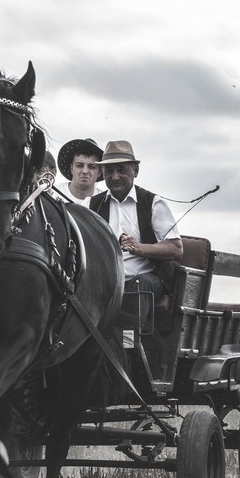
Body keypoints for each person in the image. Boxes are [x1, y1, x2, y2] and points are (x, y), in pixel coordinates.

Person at [89, 140, 183, 333]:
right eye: (109, 171)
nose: (115, 177)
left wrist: (139, 248)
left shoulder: (153, 203)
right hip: (107, 283)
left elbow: (176, 248)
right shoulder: (94, 205)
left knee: (141, 284)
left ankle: (128, 346)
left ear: (135, 171)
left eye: (121, 170)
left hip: (147, 280)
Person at [56, 137, 106, 206]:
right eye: (79, 165)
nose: (85, 171)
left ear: (100, 172)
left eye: (91, 167)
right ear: (71, 168)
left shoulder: (104, 202)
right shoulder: (53, 195)